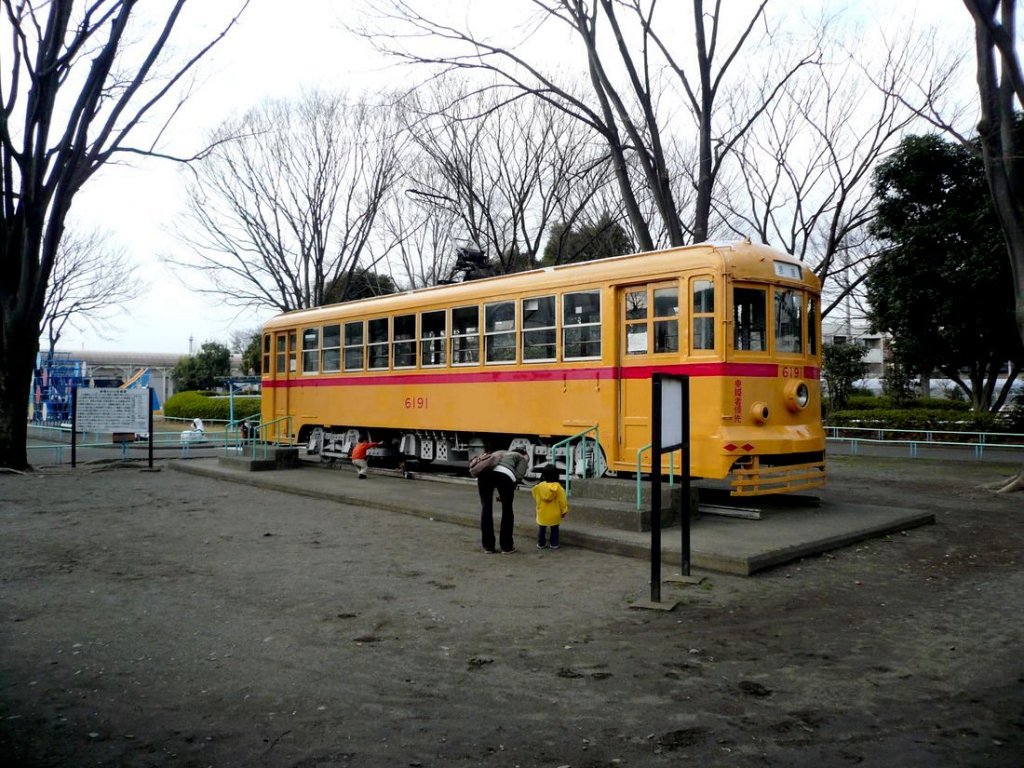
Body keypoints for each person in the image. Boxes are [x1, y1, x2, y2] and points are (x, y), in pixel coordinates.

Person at [477, 447, 529, 554]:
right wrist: (507, 492)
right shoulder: (521, 457)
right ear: (524, 455)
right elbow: (518, 476)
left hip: (484, 475)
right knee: (507, 511)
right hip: (504, 477)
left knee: (486, 509)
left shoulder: (499, 452)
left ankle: (488, 546)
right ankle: (506, 546)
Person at [531, 465, 568, 549]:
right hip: (555, 514)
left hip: (542, 513)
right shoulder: (559, 488)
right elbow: (563, 501)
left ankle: (541, 544)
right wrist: (564, 511)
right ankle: (554, 544)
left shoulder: (538, 487)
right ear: (557, 475)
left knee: (542, 529)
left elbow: (535, 496)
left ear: (543, 475)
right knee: (555, 529)